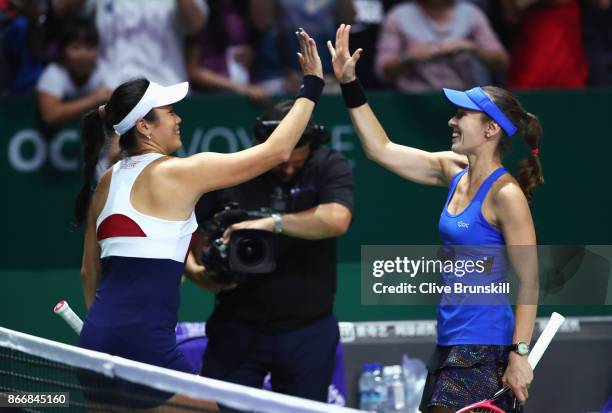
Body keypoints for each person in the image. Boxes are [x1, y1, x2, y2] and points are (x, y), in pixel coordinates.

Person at [75, 29, 325, 410]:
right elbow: (276, 151)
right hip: (144, 345)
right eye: (170, 112)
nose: (178, 118)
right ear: (144, 125)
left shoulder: (107, 181)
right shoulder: (180, 172)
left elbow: (87, 274)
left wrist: (108, 331)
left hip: (95, 343)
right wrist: (311, 86)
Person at [328, 24, 541, 412]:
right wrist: (349, 84)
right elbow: (381, 149)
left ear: (491, 128)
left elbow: (529, 280)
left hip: (483, 347)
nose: (452, 121)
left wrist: (519, 354)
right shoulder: (452, 170)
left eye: (463, 115)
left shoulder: (506, 195)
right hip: (449, 342)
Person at [184, 101, 354, 405]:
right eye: (280, 161)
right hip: (236, 327)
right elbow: (180, 224)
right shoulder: (232, 172)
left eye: (295, 163)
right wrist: (194, 269)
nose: (287, 168)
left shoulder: (329, 164)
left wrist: (270, 223)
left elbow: (337, 219)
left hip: (308, 330)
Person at [375, 0, 508, 92]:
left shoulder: (471, 14)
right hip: (413, 99)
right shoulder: (398, 16)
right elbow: (383, 71)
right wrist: (408, 58)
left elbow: (501, 62)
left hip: (463, 96)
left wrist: (472, 48)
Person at [36, 18, 109, 125]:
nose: (83, 54)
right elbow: (49, 115)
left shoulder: (104, 70)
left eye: (90, 47)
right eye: (76, 47)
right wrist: (93, 99)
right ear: (62, 51)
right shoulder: (53, 73)